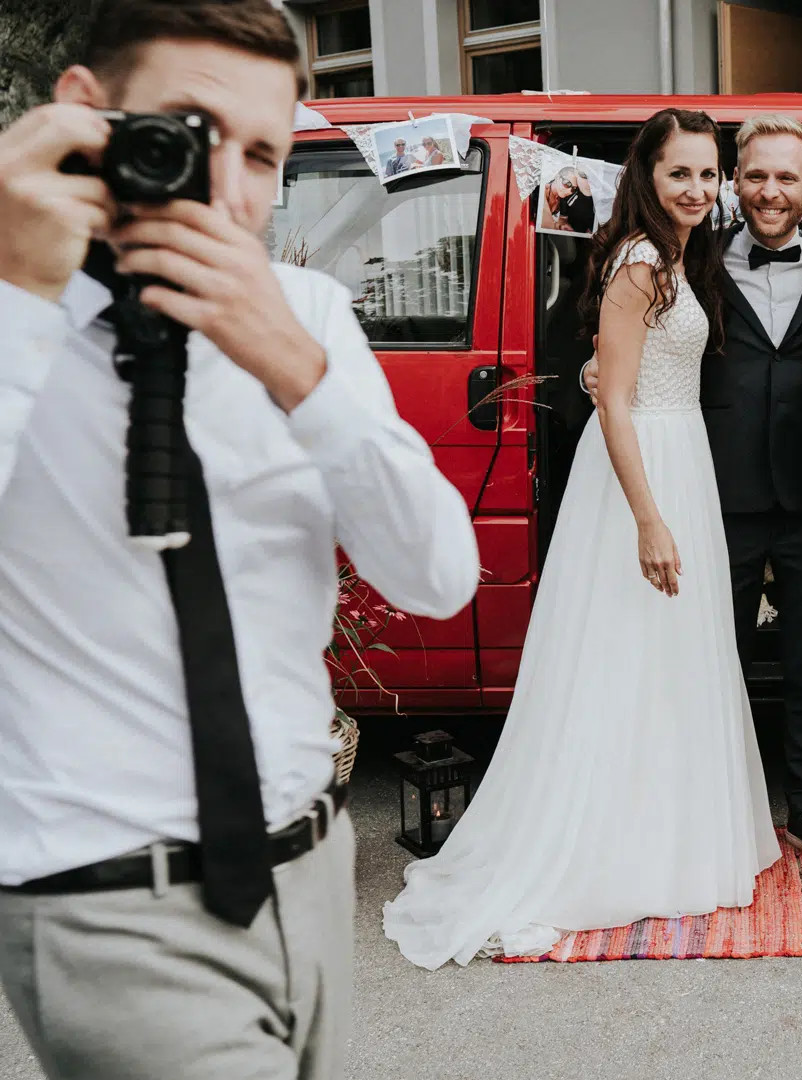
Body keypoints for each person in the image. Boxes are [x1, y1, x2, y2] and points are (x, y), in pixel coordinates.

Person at [0, 2, 480, 1077]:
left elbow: (439, 575)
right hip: (108, 897)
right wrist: (18, 299)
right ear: (84, 114)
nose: (227, 183)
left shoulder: (306, 312)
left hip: (310, 873)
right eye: (188, 130)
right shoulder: (4, 315)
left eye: (263, 153)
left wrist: (297, 372)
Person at [384, 108, 779, 969]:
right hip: (644, 467)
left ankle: (665, 827)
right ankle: (629, 840)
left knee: (669, 655)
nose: (698, 190)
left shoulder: (676, 256)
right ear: (647, 173)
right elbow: (612, 399)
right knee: (631, 650)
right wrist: (647, 518)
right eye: (682, 172)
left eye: (709, 175)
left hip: (680, 455)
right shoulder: (640, 261)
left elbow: (618, 371)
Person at [585, 115, 802, 876]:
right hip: (714, 490)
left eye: (788, 178)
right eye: (756, 176)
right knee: (708, 660)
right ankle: (708, 816)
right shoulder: (692, 255)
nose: (770, 193)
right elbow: (628, 348)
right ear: (737, 180)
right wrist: (596, 376)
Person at [543, 165, 596, 233]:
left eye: (573, 189)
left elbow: (559, 221)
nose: (569, 191)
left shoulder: (563, 198)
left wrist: (560, 226)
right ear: (557, 177)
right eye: (567, 184)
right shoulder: (542, 191)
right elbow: (546, 226)